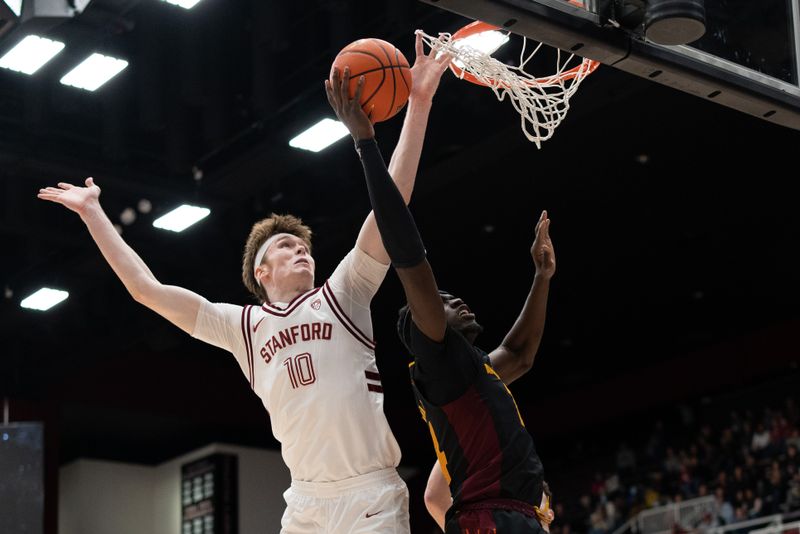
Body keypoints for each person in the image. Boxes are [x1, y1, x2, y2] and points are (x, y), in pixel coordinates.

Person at [37, 32, 450, 534]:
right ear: (261, 271)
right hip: (306, 505)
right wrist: (94, 214)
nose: (301, 250)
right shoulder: (241, 327)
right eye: (286, 247)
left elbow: (392, 205)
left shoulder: (344, 292)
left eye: (304, 247)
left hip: (369, 495)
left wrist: (420, 103)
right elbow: (146, 289)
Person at [326, 54, 557, 533]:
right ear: (423, 325)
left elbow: (521, 353)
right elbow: (407, 251)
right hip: (489, 521)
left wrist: (541, 276)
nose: (457, 302)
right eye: (444, 302)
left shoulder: (471, 372)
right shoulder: (439, 359)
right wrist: (366, 143)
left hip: (509, 518)